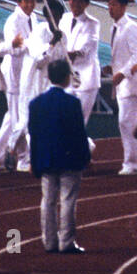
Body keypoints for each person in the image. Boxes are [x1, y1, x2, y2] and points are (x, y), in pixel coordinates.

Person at [29, 59, 90, 254]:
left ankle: (49, 241)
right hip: (69, 159)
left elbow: (34, 135)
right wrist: (85, 158)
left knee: (47, 200)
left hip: (46, 158)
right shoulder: (72, 103)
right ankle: (66, 241)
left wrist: (33, 160)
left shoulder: (36, 104)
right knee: (68, 200)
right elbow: (79, 134)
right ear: (66, 77)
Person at [0, 0, 47, 172]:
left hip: (28, 73)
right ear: (19, 2)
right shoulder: (12, 21)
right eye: (26, 2)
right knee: (17, 117)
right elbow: (12, 49)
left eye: (32, 1)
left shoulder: (34, 19)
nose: (30, 5)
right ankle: (22, 158)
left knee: (12, 117)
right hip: (14, 72)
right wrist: (29, 45)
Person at [109, 0, 137, 174]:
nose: (111, 8)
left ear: (124, 7)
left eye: (114, 4)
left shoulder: (131, 27)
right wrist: (111, 69)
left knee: (126, 122)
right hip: (121, 84)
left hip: (130, 82)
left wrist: (122, 73)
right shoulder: (114, 27)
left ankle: (132, 162)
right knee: (134, 123)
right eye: (109, 4)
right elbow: (121, 56)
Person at [60, 0, 101, 124]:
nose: (75, 3)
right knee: (65, 119)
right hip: (67, 78)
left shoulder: (93, 23)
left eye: (80, 1)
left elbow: (87, 47)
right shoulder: (64, 18)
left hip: (86, 79)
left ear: (86, 4)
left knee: (80, 122)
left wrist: (72, 54)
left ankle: (80, 144)